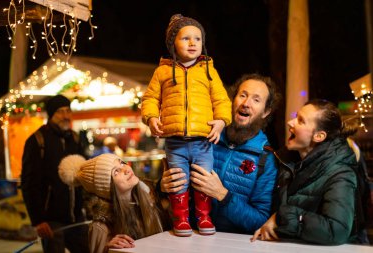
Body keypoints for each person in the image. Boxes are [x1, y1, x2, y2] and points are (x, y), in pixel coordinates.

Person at [141, 14, 232, 236]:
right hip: (175, 142)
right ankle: (181, 219)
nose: (192, 43)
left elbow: (221, 100)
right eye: (186, 38)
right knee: (178, 180)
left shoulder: (209, 71)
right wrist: (151, 117)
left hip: (203, 141)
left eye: (197, 39)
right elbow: (150, 99)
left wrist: (221, 122)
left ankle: (204, 217)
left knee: (202, 178)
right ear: (173, 43)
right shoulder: (162, 71)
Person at [160, 73, 281, 234]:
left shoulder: (266, 159)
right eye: (242, 95)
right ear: (232, 100)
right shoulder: (204, 137)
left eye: (256, 100)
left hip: (231, 245)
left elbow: (259, 221)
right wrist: (162, 186)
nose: (246, 103)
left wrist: (222, 195)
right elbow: (173, 185)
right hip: (190, 236)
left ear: (266, 112)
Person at [251, 99, 358, 245]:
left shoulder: (340, 173)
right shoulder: (285, 160)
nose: (290, 122)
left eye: (301, 121)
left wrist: (281, 217)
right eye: (296, 116)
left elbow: (337, 230)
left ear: (319, 136)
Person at [58, 153, 170, 253]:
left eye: (122, 163)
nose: (126, 169)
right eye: (116, 172)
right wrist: (108, 249)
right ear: (106, 188)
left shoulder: (151, 196)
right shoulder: (101, 226)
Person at [21, 94, 89, 253]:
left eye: (68, 110)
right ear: (51, 114)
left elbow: (85, 172)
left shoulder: (75, 138)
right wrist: (38, 220)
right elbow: (29, 183)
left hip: (77, 217)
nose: (66, 116)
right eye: (60, 111)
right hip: (51, 220)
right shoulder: (37, 140)